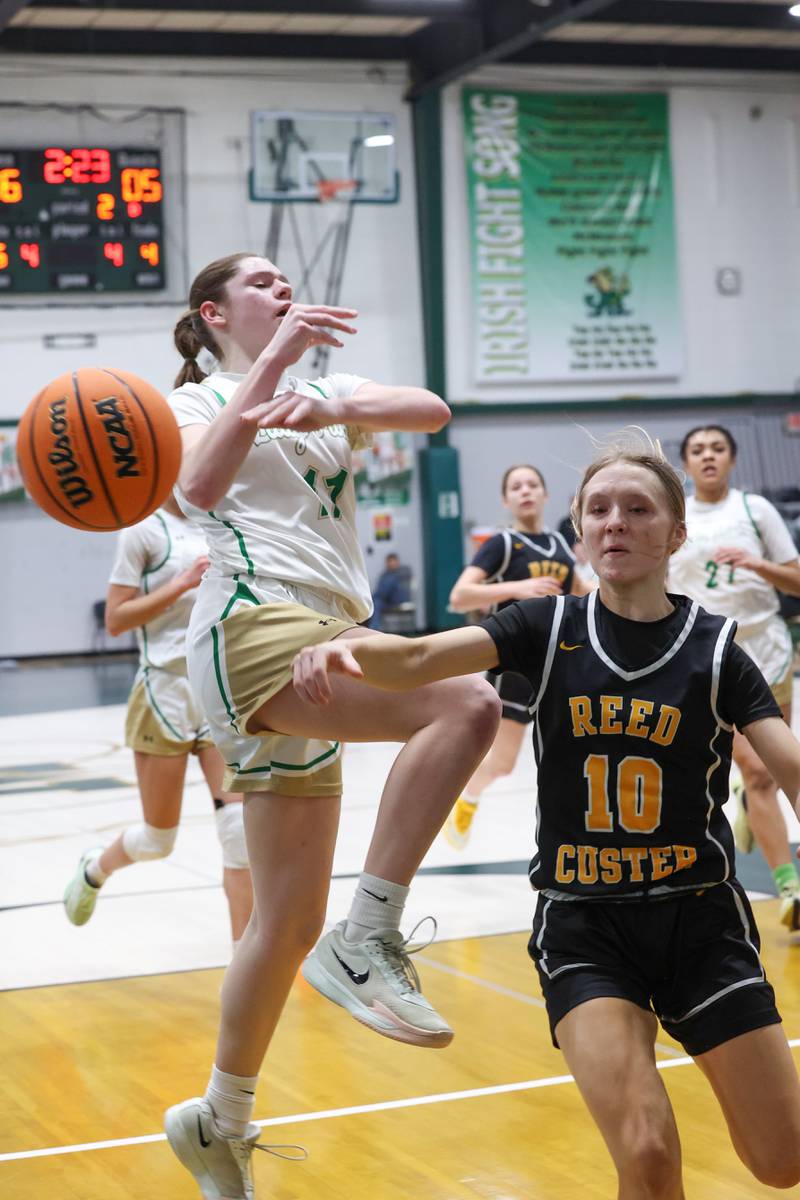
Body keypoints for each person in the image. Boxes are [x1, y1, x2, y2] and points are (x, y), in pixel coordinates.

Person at [294, 433, 800, 1197]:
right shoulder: (546, 626)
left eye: (637, 509)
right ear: (580, 529)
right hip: (586, 927)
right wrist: (339, 646)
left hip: (702, 924)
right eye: (598, 509)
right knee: (647, 1150)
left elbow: (790, 772)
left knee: (782, 1160)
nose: (615, 522)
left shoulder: (717, 649)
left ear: (676, 533)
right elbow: (421, 660)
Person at [160, 252, 500, 1198]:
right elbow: (197, 490)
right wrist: (272, 373)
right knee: (468, 701)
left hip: (329, 631)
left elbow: (432, 409)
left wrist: (329, 403)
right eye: (261, 282)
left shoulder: (322, 390)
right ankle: (371, 934)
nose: (283, 289)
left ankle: (218, 1121)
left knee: (284, 922)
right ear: (213, 311)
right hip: (255, 622)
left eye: (285, 281)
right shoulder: (190, 401)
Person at [63, 494, 253, 943]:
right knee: (157, 839)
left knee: (238, 832)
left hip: (213, 687)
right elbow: (115, 619)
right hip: (162, 692)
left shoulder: (221, 519)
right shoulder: (142, 531)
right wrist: (181, 584)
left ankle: (244, 961)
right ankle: (94, 869)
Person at [669, 424, 800, 928]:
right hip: (708, 653)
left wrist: (756, 564)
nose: (708, 456)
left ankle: (754, 810)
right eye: (698, 450)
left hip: (766, 648)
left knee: (772, 769)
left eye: (717, 448)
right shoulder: (676, 515)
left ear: (732, 458)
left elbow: (796, 579)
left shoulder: (755, 510)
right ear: (686, 462)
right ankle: (790, 887)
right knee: (757, 771)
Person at [445, 465, 590, 848]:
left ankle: (573, 831)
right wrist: (518, 587)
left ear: (545, 494)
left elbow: (580, 589)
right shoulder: (503, 544)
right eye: (516, 486)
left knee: (571, 753)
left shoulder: (559, 545)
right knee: (503, 764)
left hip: (558, 662)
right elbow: (460, 596)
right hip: (513, 665)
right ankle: (467, 799)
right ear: (506, 500)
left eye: (532, 484)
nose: (525, 491)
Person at [369, 551, 412, 630]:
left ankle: (374, 627)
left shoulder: (403, 572)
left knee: (390, 581)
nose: (391, 564)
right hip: (386, 600)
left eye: (393, 561)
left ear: (397, 562)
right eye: (389, 562)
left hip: (399, 599)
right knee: (376, 602)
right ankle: (374, 627)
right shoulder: (384, 575)